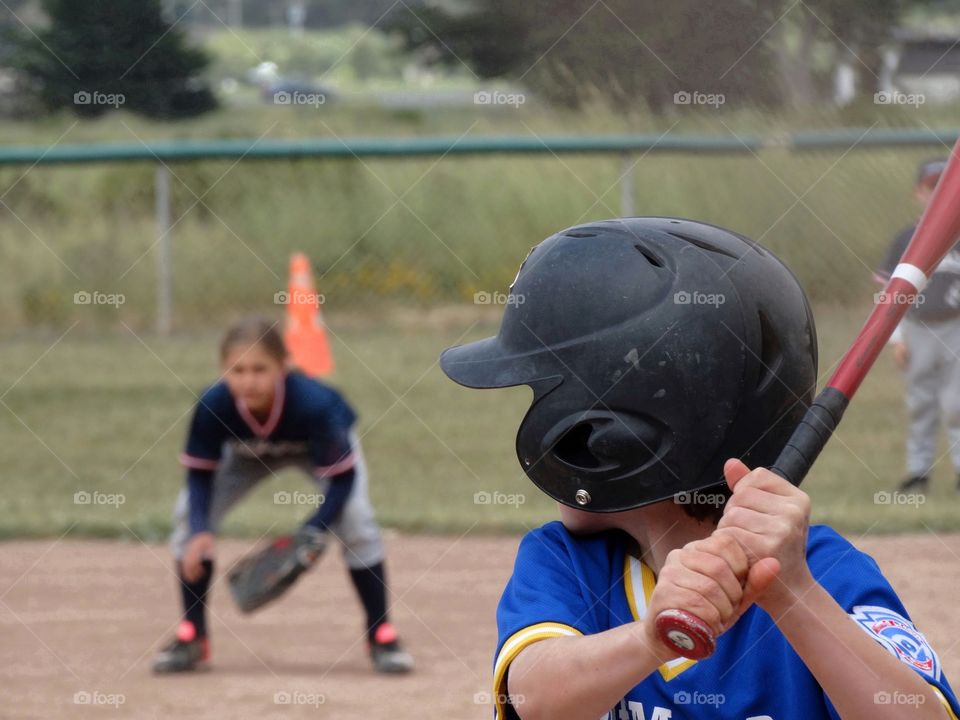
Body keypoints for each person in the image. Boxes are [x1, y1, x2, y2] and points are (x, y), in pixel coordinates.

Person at [441, 218, 960, 720]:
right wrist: (649, 640)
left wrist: (792, 594)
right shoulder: (567, 564)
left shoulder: (822, 572)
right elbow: (535, 703)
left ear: (604, 438)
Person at [152, 316, 413, 675]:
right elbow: (200, 474)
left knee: (356, 521)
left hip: (315, 452)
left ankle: (381, 633)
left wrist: (313, 528)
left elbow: (342, 479)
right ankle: (193, 635)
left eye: (260, 369)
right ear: (222, 371)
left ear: (284, 367)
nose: (249, 380)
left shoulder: (315, 405)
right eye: (237, 370)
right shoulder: (214, 405)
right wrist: (201, 529)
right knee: (186, 519)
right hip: (245, 455)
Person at [875, 158, 960, 495]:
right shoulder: (907, 239)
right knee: (921, 402)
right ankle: (918, 473)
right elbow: (888, 294)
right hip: (917, 330)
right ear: (918, 193)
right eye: (932, 188)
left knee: (958, 404)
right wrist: (896, 338)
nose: (939, 194)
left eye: (947, 188)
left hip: (957, 327)